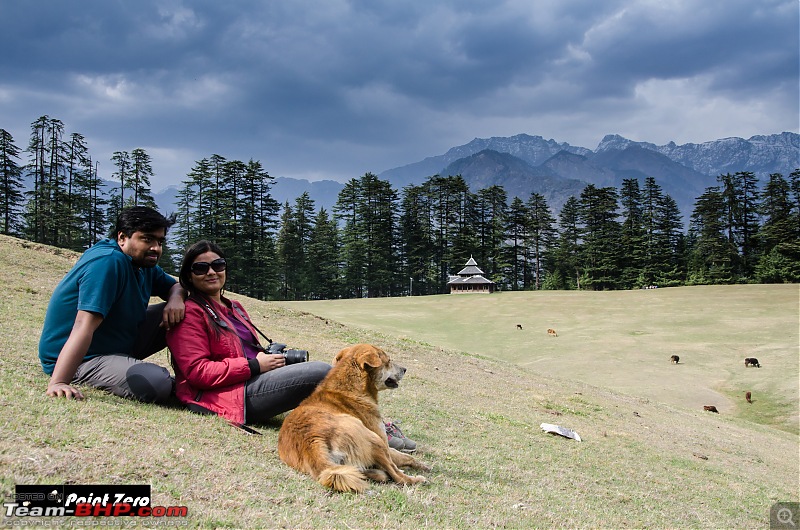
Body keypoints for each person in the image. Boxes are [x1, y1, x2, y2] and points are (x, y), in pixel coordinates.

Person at [165, 240, 331, 426]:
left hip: (250, 381)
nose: (211, 272)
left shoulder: (235, 307)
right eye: (201, 268)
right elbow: (198, 371)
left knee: (329, 371)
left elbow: (243, 350)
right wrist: (253, 366)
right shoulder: (190, 313)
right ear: (189, 275)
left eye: (218, 265)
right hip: (226, 395)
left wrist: (268, 361)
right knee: (321, 371)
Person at [39, 206, 186, 403]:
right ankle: (186, 390)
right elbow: (83, 324)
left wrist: (176, 298)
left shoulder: (142, 263)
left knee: (190, 310)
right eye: (147, 239)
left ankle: (198, 376)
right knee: (157, 383)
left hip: (117, 344)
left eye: (160, 242)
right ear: (122, 237)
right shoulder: (108, 263)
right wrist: (59, 381)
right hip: (83, 359)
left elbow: (176, 286)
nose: (156, 248)